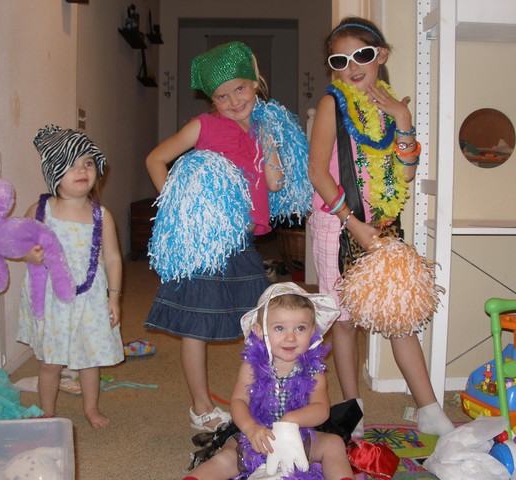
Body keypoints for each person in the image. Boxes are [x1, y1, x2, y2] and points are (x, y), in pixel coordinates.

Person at [144, 41, 310, 433]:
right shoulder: (203, 126)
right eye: (222, 96)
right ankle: (200, 407)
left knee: (259, 321)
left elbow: (274, 182)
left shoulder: (265, 127)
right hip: (204, 245)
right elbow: (155, 158)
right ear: (211, 100)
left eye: (240, 88)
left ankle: (263, 397)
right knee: (196, 324)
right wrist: (179, 207)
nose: (234, 101)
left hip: (243, 243)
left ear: (255, 83)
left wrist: (271, 148)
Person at [307, 17, 454, 437]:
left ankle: (429, 409)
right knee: (344, 320)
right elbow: (317, 171)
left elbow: (406, 174)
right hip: (338, 224)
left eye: (362, 55)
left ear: (381, 55)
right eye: (340, 60)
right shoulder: (333, 105)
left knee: (397, 315)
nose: (352, 66)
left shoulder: (391, 107)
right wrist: (351, 223)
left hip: (383, 225)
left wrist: (403, 117)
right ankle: (352, 407)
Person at [183, 282, 354, 480]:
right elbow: (238, 401)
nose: (290, 337)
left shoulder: (313, 369)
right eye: (279, 328)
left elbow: (321, 409)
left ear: (312, 331)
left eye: (300, 328)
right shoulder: (251, 366)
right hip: (256, 436)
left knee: (333, 444)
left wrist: (291, 420)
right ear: (259, 331)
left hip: (299, 436)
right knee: (228, 455)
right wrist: (250, 428)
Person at [17, 125, 124, 429]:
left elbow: (113, 258)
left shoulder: (102, 215)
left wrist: (114, 298)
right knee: (50, 362)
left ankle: (90, 407)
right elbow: (19, 244)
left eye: (88, 163)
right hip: (51, 300)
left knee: (89, 359)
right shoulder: (40, 210)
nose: (82, 170)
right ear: (54, 171)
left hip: (89, 299)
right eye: (71, 164)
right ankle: (47, 411)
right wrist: (29, 255)